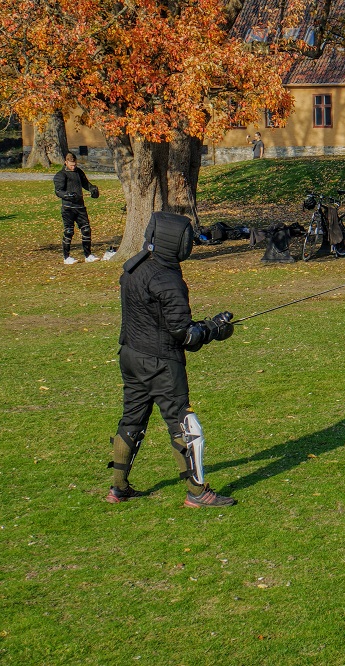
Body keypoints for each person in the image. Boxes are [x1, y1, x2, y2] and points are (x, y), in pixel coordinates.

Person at [106, 211, 238, 508]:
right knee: (184, 422)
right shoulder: (168, 280)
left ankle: (118, 488)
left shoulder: (134, 267)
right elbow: (185, 336)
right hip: (160, 362)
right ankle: (197, 492)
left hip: (130, 356)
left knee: (132, 418)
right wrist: (213, 330)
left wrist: (206, 326)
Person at [53, 153, 99, 264]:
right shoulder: (61, 175)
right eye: (71, 165)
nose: (73, 167)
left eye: (74, 164)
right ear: (66, 162)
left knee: (86, 230)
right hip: (68, 208)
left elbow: (86, 184)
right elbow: (58, 191)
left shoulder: (79, 172)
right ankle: (66, 257)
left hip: (80, 207)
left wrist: (93, 189)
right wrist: (68, 195)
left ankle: (88, 255)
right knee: (69, 231)